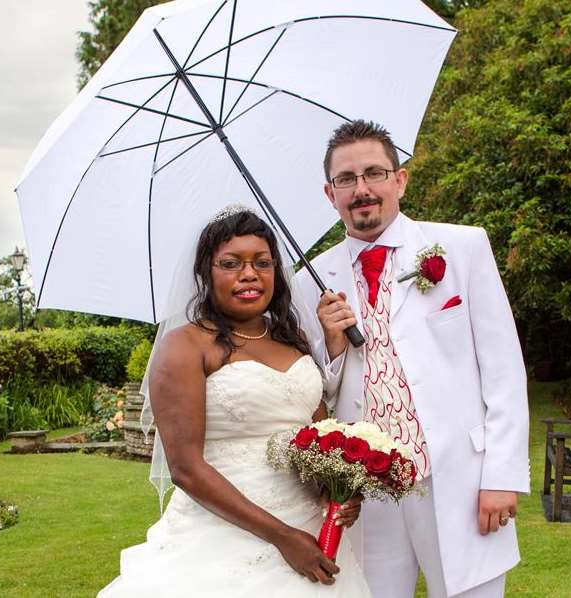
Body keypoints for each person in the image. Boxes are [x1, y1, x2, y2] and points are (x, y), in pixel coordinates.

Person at [292, 120, 530, 598]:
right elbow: (311, 396)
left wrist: (502, 476)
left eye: (374, 173)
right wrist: (334, 347)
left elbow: (503, 369)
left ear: (399, 180)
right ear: (329, 192)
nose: (362, 189)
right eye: (346, 179)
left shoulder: (461, 248)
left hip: (459, 479)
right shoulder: (308, 282)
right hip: (367, 491)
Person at [99, 208, 371, 597]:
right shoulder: (185, 346)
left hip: (311, 527)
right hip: (226, 531)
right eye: (231, 263)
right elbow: (186, 469)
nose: (249, 274)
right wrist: (282, 537)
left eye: (262, 263)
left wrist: (338, 491)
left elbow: (317, 440)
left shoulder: (291, 338)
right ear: (206, 274)